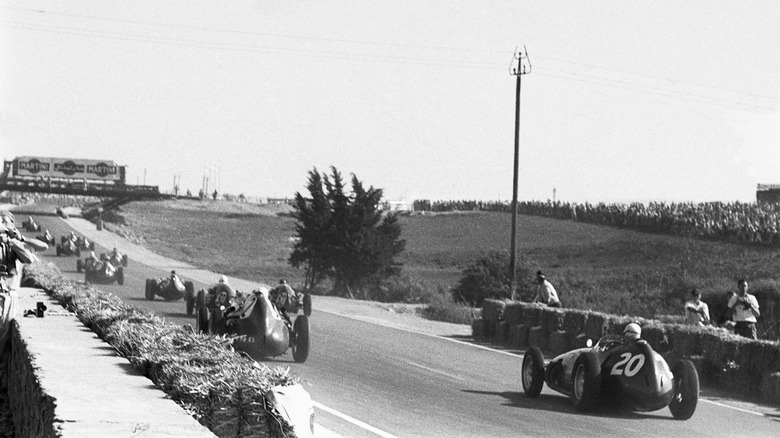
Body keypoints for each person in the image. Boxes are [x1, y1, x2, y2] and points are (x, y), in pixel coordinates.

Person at [0, 211, 38, 391]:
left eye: (4, 223)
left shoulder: (12, 244)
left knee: (2, 339)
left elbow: (29, 258)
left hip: (6, 295)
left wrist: (14, 240)